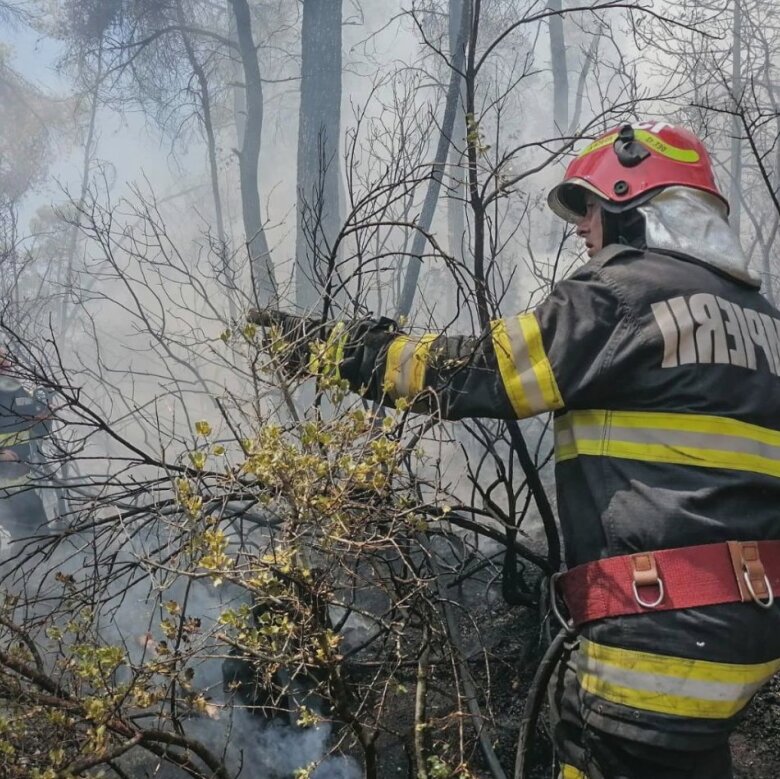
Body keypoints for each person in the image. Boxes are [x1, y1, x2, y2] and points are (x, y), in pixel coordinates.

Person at [250, 121, 780, 778]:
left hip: (653, 648)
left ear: (633, 205)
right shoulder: (764, 321)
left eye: (589, 208)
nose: (581, 227)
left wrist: (336, 351)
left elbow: (474, 371)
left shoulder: (621, 295)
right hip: (744, 641)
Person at [0, 347, 51, 548]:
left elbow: (39, 430)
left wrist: (44, 417)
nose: (6, 372)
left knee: (41, 534)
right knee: (23, 539)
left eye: (7, 367)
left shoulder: (16, 391)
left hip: (22, 484)